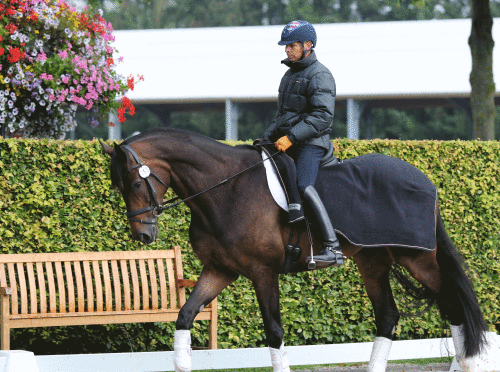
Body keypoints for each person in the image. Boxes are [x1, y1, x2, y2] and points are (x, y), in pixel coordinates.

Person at [262, 20, 344, 267]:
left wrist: (291, 137)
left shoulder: (320, 74)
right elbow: (283, 117)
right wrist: (265, 138)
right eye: (286, 45)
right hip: (291, 141)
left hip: (311, 143)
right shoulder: (289, 75)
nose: (287, 49)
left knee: (303, 184)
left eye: (292, 45)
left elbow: (322, 117)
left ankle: (332, 248)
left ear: (309, 45)